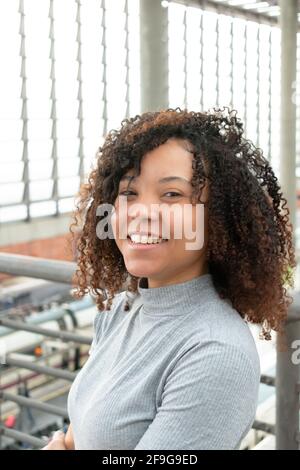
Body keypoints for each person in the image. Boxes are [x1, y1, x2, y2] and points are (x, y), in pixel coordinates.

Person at [42, 107, 295, 450]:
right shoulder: (121, 308)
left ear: (217, 219)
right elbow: (79, 435)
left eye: (171, 194)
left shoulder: (214, 352)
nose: (142, 212)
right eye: (129, 192)